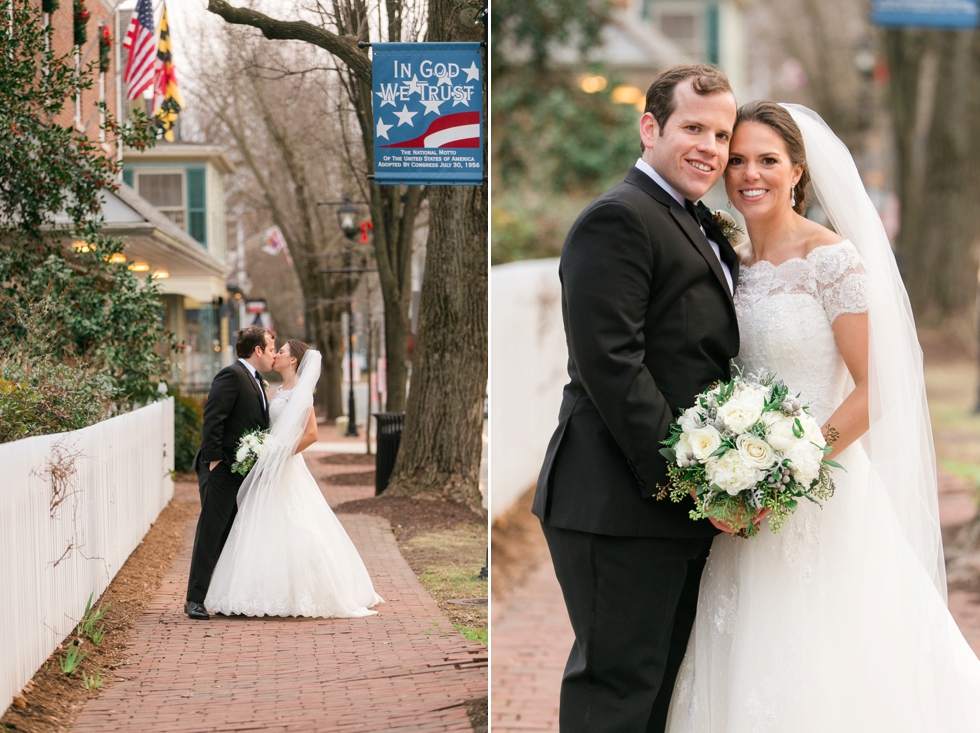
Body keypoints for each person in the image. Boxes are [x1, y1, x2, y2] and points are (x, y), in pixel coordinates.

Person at [666, 101, 980, 732]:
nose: (750, 174)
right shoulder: (731, 262)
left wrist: (788, 471)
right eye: (738, 161)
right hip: (740, 494)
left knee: (830, 655)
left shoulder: (831, 258)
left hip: (820, 492)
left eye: (768, 161)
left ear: (798, 170)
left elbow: (878, 387)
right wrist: (731, 469)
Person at [532, 64, 740, 732]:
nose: (710, 146)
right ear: (650, 127)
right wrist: (691, 481)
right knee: (616, 696)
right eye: (693, 128)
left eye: (721, 133)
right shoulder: (618, 220)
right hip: (617, 501)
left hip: (668, 507)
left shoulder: (685, 216)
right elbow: (612, 367)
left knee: (655, 699)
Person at [204, 340, 383, 618]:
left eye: (282, 351)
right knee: (261, 525)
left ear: (294, 361)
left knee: (295, 522)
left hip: (285, 466)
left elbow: (311, 434)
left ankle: (307, 589)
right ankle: (254, 590)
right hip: (268, 465)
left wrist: (277, 456)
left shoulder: (301, 393)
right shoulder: (274, 391)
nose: (276, 355)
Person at [185, 326, 274, 620]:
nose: (273, 354)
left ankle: (219, 594)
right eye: (270, 348)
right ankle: (194, 599)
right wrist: (214, 463)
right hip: (221, 468)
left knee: (229, 534)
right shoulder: (231, 375)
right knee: (211, 532)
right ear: (257, 350)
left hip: (242, 472)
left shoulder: (256, 380)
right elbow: (213, 417)